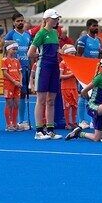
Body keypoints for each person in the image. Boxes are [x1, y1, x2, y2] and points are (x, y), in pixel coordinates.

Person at [65, 55, 102, 143]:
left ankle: (78, 133)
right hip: (93, 106)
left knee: (96, 138)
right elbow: (83, 91)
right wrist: (89, 100)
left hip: (101, 108)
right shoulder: (99, 78)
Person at [28, 9, 63, 140]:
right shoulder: (41, 33)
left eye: (57, 18)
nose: (56, 20)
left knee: (51, 100)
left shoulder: (55, 32)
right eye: (54, 18)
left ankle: (50, 130)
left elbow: (56, 50)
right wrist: (40, 56)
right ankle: (39, 130)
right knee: (41, 100)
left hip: (54, 68)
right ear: (46, 19)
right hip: (44, 68)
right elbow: (30, 53)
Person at [5, 12, 32, 129]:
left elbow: (30, 52)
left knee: (23, 94)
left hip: (25, 68)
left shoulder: (27, 35)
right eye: (18, 21)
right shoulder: (10, 35)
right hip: (13, 71)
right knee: (12, 99)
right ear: (13, 22)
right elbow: (5, 54)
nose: (20, 23)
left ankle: (21, 121)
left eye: (22, 20)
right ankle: (10, 122)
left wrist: (30, 67)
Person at [76, 19, 102, 127]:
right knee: (83, 94)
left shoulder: (98, 40)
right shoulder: (83, 39)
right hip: (84, 71)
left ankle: (93, 120)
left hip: (95, 71)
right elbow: (78, 56)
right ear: (88, 27)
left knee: (94, 96)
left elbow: (99, 55)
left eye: (97, 26)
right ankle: (81, 121)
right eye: (94, 26)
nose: (96, 27)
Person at [1, 42, 22, 131]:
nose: (15, 51)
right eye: (13, 49)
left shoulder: (17, 61)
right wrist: (14, 81)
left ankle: (14, 123)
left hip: (17, 85)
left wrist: (20, 82)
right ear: (8, 49)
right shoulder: (4, 60)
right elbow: (5, 73)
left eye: (16, 49)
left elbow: (20, 73)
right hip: (9, 85)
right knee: (9, 104)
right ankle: (8, 124)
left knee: (16, 104)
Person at [59, 44, 78, 129]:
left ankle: (74, 122)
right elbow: (60, 76)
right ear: (67, 54)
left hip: (74, 87)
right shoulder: (62, 63)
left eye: (74, 53)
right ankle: (67, 124)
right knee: (67, 106)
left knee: (75, 106)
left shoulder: (75, 63)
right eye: (71, 53)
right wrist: (71, 75)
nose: (73, 55)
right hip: (65, 87)